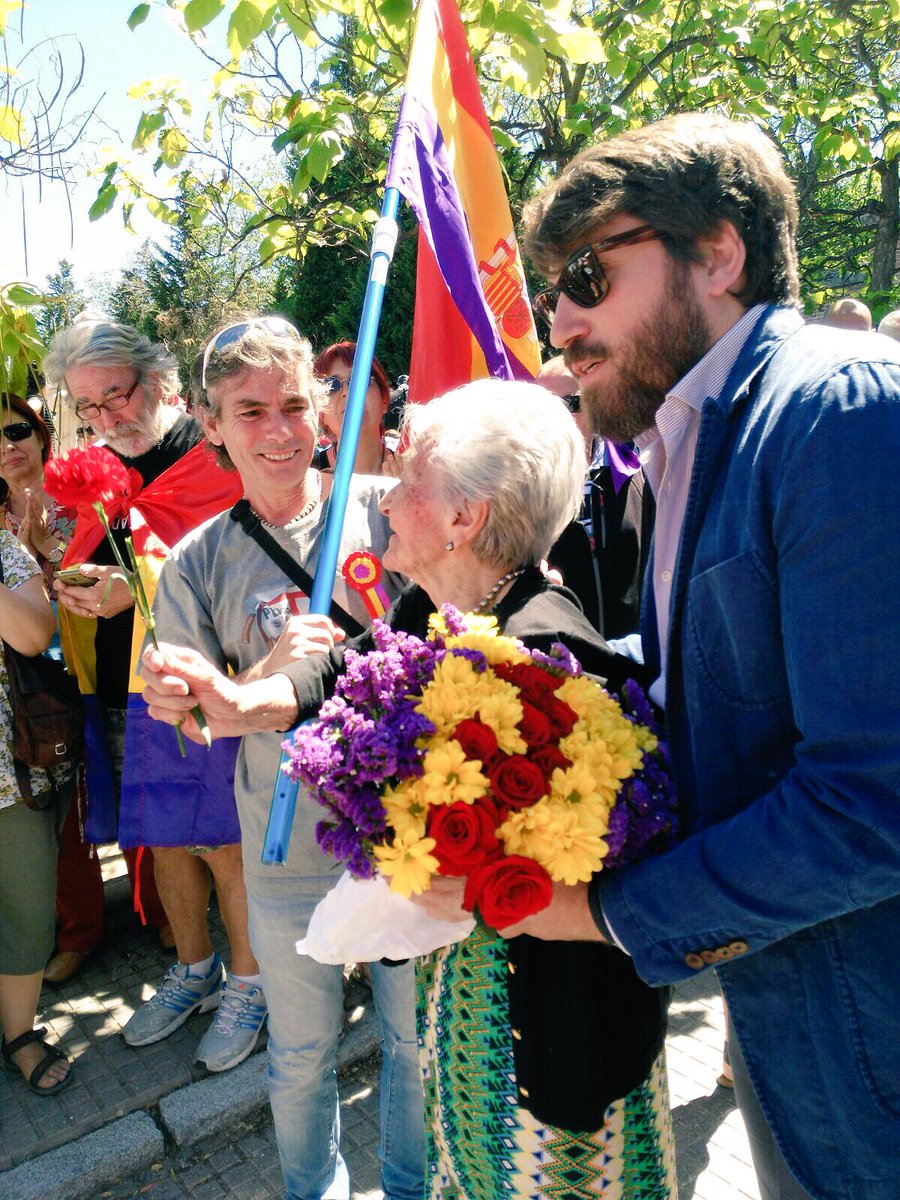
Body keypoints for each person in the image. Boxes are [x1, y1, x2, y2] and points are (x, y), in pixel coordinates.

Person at [145, 379, 675, 1199]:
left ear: (466, 518)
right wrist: (244, 701)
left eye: (408, 477)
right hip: (470, 1032)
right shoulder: (444, 605)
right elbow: (356, 663)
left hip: (547, 1066)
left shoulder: (551, 668)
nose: (385, 496)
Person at [511, 112, 900, 1200]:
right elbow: (713, 682)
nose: (562, 318)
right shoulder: (683, 441)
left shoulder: (840, 413)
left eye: (588, 272)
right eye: (555, 288)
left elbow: (876, 800)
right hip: (793, 1009)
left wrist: (605, 916)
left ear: (717, 252)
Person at [137, 316, 424, 1200]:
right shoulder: (196, 562)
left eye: (296, 403)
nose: (279, 429)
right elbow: (193, 723)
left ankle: (414, 1188)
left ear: (323, 408)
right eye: (249, 410)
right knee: (302, 1060)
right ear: (212, 423)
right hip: (286, 851)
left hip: (411, 845)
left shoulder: (391, 506)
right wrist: (261, 676)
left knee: (416, 1050)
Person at [43, 319, 250, 1070]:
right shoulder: (100, 470)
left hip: (214, 684)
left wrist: (131, 589)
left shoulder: (213, 456)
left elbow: (238, 575)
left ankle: (250, 986)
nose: (104, 420)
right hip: (128, 686)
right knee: (163, 835)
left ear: (158, 382)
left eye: (115, 397)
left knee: (223, 844)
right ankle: (194, 971)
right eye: (87, 407)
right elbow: (87, 557)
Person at [0, 527, 76, 1094]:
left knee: (25, 908)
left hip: (9, 775)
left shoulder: (3, 548)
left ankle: (18, 1034)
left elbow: (34, 633)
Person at [539, 356, 653, 638]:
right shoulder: (526, 492)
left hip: (635, 662)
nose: (558, 418)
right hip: (564, 662)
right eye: (545, 407)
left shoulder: (636, 475)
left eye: (572, 404)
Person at [314, 341, 400, 476]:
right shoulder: (304, 478)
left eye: (359, 379)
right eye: (331, 385)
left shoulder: (415, 469)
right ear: (321, 414)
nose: (347, 391)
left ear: (384, 399)